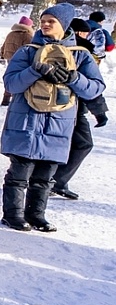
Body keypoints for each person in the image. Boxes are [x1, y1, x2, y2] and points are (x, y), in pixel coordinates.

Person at [0, 4, 105, 231]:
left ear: (64, 25)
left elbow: (95, 88)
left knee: (45, 176)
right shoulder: (27, 51)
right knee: (19, 173)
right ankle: (13, 214)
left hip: (59, 123)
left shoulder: (80, 55)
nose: (45, 24)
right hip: (26, 121)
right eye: (43, 20)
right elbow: (11, 83)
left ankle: (37, 215)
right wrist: (36, 70)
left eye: (51, 21)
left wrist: (74, 78)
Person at [50, 18, 109, 200]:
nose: (85, 36)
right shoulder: (82, 51)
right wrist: (99, 111)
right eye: (83, 33)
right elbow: (90, 87)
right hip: (72, 107)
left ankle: (52, 180)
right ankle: (55, 181)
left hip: (61, 105)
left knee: (59, 143)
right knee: (82, 143)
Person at [0, 17, 35, 105]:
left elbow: (4, 45)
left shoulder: (11, 34)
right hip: (20, 59)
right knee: (19, 79)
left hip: (9, 58)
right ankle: (17, 100)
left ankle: (5, 99)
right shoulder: (27, 35)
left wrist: (2, 55)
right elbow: (30, 48)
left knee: (10, 77)